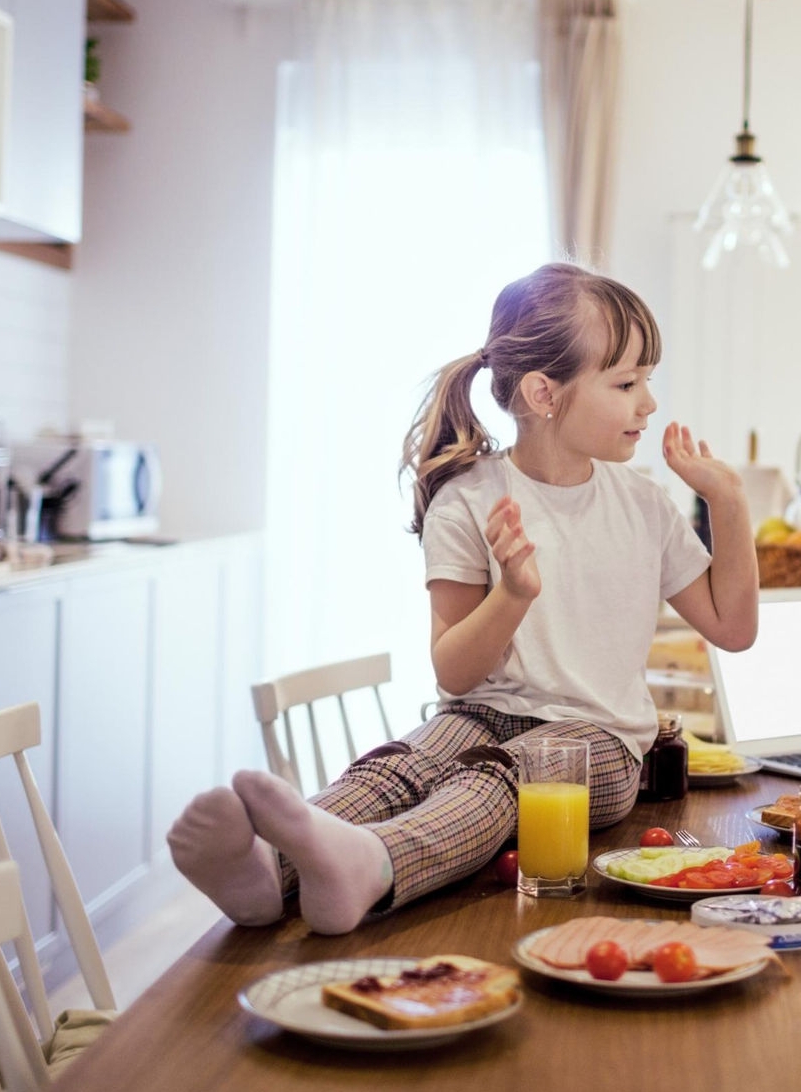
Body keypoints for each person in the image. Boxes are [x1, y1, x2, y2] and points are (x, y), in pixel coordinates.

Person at [167, 262, 757, 935]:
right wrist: (512, 595)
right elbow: (453, 673)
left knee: (508, 777)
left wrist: (728, 501)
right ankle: (268, 874)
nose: (648, 403)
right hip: (481, 711)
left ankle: (375, 865)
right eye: (627, 383)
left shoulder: (644, 504)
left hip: (601, 740)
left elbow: (731, 628)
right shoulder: (468, 499)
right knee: (406, 764)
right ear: (544, 393)